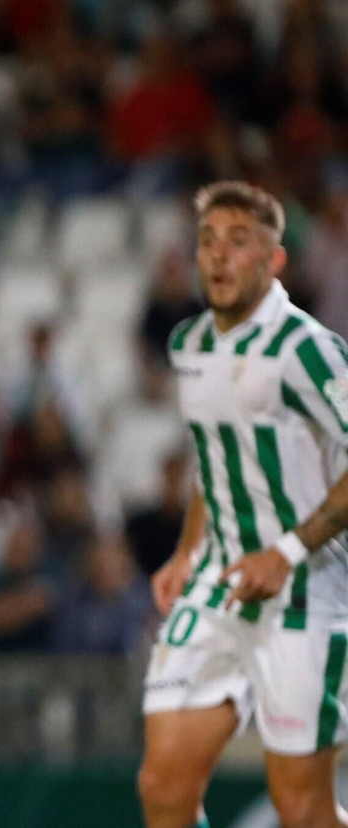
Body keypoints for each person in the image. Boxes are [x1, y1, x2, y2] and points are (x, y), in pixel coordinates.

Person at [142, 181, 348, 828]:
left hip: (304, 591)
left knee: (301, 808)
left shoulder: (307, 349)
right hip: (217, 585)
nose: (220, 257)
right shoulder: (191, 345)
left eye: (239, 242)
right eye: (208, 242)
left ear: (274, 260)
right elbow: (215, 457)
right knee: (164, 788)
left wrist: (285, 552)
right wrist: (185, 552)